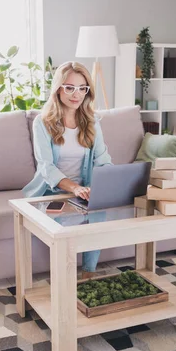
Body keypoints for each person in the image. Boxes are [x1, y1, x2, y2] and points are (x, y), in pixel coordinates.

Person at [23, 61, 113, 279]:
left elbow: (103, 160)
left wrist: (109, 182)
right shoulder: (42, 123)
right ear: (58, 88)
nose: (77, 94)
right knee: (63, 224)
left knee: (99, 215)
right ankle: (65, 276)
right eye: (70, 87)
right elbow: (46, 167)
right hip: (52, 191)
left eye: (83, 88)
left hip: (85, 191)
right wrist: (74, 188)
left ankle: (88, 275)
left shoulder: (92, 121)